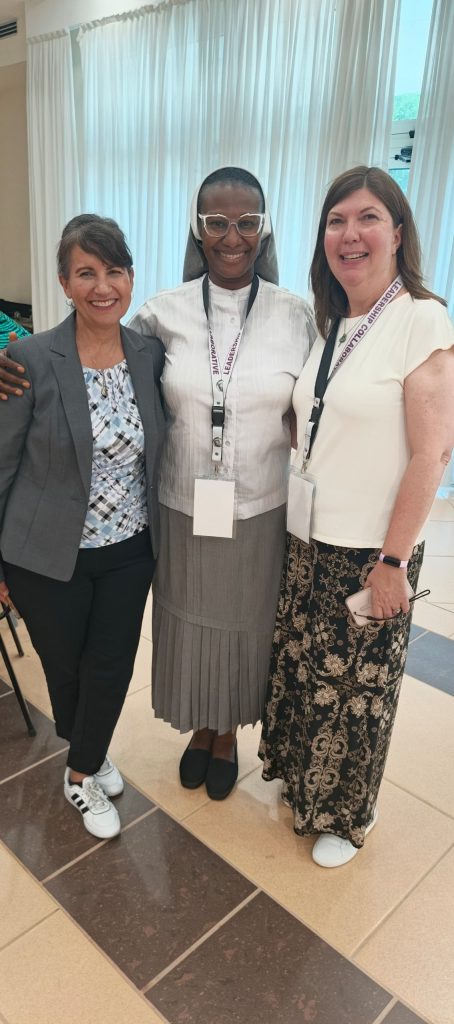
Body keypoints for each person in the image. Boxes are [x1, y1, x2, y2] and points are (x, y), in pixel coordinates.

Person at [0, 168, 315, 801]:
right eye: (216, 222)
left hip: (259, 504)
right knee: (189, 623)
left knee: (244, 624)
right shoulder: (160, 315)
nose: (231, 236)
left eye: (246, 222)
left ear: (265, 228)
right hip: (177, 505)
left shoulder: (296, 314)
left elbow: (322, 393)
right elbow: (89, 350)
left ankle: (225, 733)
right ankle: (198, 729)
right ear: (197, 229)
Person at [259, 165, 454, 867]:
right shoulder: (333, 321)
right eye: (336, 221)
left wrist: (394, 562)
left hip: (373, 549)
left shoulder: (421, 319)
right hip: (310, 536)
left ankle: (345, 816)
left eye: (368, 218)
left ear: (397, 233)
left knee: (357, 696)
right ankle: (304, 788)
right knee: (309, 676)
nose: (350, 234)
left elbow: (433, 453)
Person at [0, 214, 165, 839]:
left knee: (112, 663)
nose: (102, 287)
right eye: (86, 273)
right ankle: (90, 752)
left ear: (130, 278)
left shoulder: (149, 354)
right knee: (65, 667)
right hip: (44, 554)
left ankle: (80, 770)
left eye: (113, 271)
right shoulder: (29, 358)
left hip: (130, 547)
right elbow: (2, 464)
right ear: (64, 283)